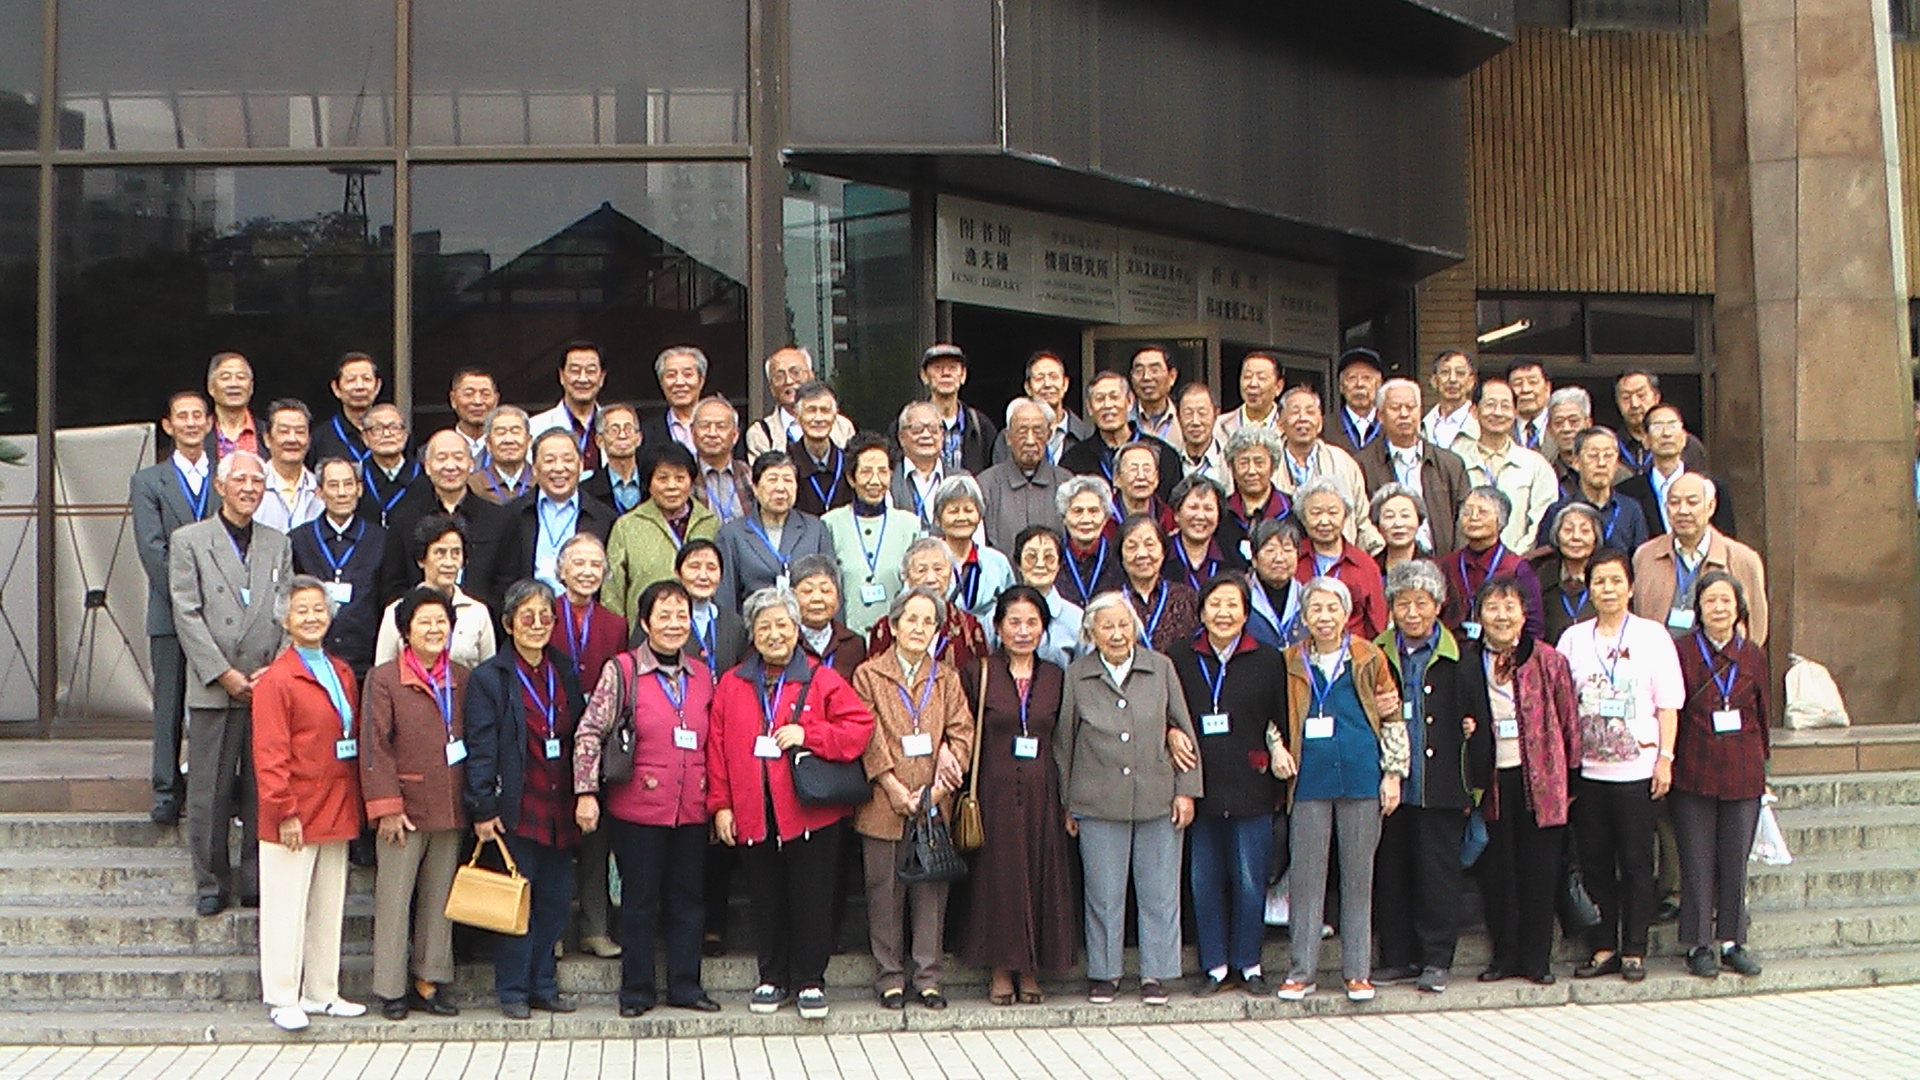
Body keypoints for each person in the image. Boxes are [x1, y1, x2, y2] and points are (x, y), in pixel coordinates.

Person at [708, 588, 876, 1020]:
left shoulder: (821, 678)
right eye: (764, 626)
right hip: (753, 809)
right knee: (765, 898)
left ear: (797, 629)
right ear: (752, 634)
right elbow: (717, 747)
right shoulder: (732, 683)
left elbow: (859, 727)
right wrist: (721, 805)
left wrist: (810, 735)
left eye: (782, 624)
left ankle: (810, 981)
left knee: (812, 898)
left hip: (809, 811)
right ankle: (771, 977)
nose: (774, 634)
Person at [573, 579, 723, 1015]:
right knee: (639, 902)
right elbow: (589, 732)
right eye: (664, 615)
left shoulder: (702, 674)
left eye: (682, 616)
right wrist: (586, 791)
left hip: (690, 807)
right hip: (638, 808)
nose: (674, 624)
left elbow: (715, 740)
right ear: (644, 622)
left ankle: (685, 986)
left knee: (688, 900)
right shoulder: (622, 670)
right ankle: (637, 991)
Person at [1057, 591, 1201, 1007]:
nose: (1118, 634)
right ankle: (1105, 973)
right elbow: (1065, 743)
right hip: (1097, 800)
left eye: (1124, 625)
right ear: (1091, 632)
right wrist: (1068, 802)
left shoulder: (1160, 667)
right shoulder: (1077, 675)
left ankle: (1157, 972)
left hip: (1157, 795)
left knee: (1160, 891)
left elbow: (1182, 727)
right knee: (1103, 894)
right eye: (1107, 627)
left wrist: (1187, 790)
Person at [169, 450, 291, 916]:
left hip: (265, 684)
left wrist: (275, 669)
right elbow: (186, 612)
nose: (249, 489)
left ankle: (256, 878)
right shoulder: (189, 540)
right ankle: (211, 881)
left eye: (257, 481)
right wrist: (223, 672)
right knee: (209, 792)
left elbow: (288, 610)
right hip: (215, 685)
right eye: (240, 480)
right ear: (220, 487)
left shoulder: (278, 542)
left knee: (263, 788)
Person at [1276, 576, 1407, 1004]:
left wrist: (1393, 774)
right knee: (1306, 879)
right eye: (1315, 609)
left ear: (1347, 613)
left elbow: (1392, 717)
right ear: (1304, 616)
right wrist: (1276, 748)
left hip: (1361, 775)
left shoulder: (1369, 657)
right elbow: (1272, 715)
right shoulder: (1289, 661)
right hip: (1309, 780)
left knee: (1358, 878)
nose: (1324, 617)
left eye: (1332, 608)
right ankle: (1301, 971)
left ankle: (1357, 972)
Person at [1558, 549, 1683, 984]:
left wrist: (1665, 758)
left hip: (1637, 770)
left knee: (1635, 863)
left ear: (1630, 587)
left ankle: (1634, 948)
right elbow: (1562, 702)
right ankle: (1603, 945)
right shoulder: (1574, 639)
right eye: (1599, 582)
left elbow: (1668, 704)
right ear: (1589, 588)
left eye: (1615, 581)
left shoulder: (1652, 636)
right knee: (1594, 862)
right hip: (1590, 771)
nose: (1607, 589)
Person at [465, 579, 587, 1019]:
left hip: (559, 805)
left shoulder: (563, 669)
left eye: (545, 616)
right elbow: (481, 746)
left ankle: (544, 985)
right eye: (527, 616)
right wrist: (482, 806)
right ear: (508, 623)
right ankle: (513, 990)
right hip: (515, 807)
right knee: (517, 901)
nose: (537, 624)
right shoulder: (490, 678)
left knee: (554, 903)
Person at [250, 576, 366, 1031]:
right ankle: (282, 996)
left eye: (319, 609)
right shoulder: (277, 679)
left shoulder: (341, 671)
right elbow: (270, 754)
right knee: (286, 907)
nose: (312, 617)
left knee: (327, 905)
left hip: (335, 801)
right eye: (301, 610)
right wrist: (283, 811)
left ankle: (322, 991)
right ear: (284, 619)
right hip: (294, 809)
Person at [849, 587, 973, 1010]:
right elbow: (868, 735)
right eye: (912, 619)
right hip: (884, 801)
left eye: (928, 621)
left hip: (934, 803)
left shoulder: (947, 678)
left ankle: (929, 978)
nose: (919, 628)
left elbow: (962, 733)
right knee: (884, 891)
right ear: (894, 624)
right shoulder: (869, 674)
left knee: (931, 893)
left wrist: (936, 791)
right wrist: (892, 786)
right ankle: (889, 977)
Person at [1170, 574, 1288, 997]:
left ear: (1246, 612)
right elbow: (1167, 711)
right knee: (1204, 881)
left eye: (1232, 605)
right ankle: (1215, 966)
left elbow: (1280, 718)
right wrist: (1170, 733)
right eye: (1215, 605)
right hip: (1200, 786)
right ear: (1201, 612)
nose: (1223, 613)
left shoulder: (1268, 659)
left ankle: (1249, 963)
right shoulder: (1180, 657)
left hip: (1251, 784)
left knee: (1250, 880)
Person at [1370, 560, 1485, 994]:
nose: (1412, 612)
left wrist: (1474, 783)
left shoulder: (1461, 656)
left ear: (1438, 605)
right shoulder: (1375, 653)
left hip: (1442, 783)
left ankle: (1436, 959)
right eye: (1403, 603)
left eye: (1421, 602)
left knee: (1438, 874)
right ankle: (1397, 957)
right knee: (1392, 872)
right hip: (1389, 782)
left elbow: (1478, 719)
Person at [960, 586, 1079, 1004]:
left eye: (1032, 623)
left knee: (1039, 876)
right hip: (992, 791)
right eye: (1014, 622)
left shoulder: (1056, 677)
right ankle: (999, 968)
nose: (1023, 631)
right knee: (999, 879)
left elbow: (1065, 738)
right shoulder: (978, 672)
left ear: (1044, 628)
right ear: (998, 627)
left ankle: (1030, 969)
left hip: (1043, 791)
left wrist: (1068, 800)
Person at [360, 586, 469, 1021]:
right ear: (406, 630)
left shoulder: (462, 677)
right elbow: (375, 745)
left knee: (439, 899)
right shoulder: (385, 678)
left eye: (441, 621)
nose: (434, 629)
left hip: (451, 802)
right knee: (394, 899)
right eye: (424, 621)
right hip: (403, 807)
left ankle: (430, 979)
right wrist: (386, 805)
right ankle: (390, 987)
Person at [1466, 574, 1581, 986]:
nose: (1501, 616)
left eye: (1510, 607)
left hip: (1543, 780)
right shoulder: (1467, 660)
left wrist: (1572, 779)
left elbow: (1569, 720)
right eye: (1492, 607)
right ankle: (1504, 956)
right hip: (1491, 781)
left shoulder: (1548, 660)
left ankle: (1537, 960)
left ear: (1524, 612)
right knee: (1498, 873)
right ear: (1479, 615)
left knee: (1540, 871)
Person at [1672, 570, 1769, 980]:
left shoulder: (1753, 656)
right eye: (1710, 601)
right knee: (1696, 861)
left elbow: (1763, 715)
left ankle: (1732, 941)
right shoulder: (1681, 651)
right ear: (1698, 607)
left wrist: (1764, 768)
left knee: (1734, 861)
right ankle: (1698, 944)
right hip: (1693, 769)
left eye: (1726, 601)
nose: (1719, 608)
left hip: (1743, 772)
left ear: (1739, 608)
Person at [132, 389, 220, 825]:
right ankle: (166, 790)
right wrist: (189, 599)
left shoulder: (227, 476)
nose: (190, 423)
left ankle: (215, 788)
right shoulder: (149, 481)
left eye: (197, 415)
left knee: (217, 705)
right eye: (181, 416)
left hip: (220, 613)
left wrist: (215, 599)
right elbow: (152, 550)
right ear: (168, 425)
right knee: (169, 704)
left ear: (209, 423)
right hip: (170, 611)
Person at [548, 532, 631, 960]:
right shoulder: (544, 613)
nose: (586, 572)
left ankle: (595, 927)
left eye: (595, 565)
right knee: (554, 837)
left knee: (597, 837)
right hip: (549, 732)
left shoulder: (615, 624)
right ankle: (553, 929)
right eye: (578, 563)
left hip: (599, 739)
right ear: (560, 570)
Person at [381, 429, 509, 610]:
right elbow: (393, 585)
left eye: (458, 457)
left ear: (471, 464)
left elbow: (505, 585)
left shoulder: (498, 519)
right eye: (441, 458)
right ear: (427, 466)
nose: (450, 466)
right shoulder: (404, 519)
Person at [1632, 474, 1769, 643]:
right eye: (1674, 503)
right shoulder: (1645, 556)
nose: (1683, 511)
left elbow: (1756, 628)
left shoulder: (1742, 559)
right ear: (1666, 508)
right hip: (1660, 656)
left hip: (1720, 659)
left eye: (1692, 502)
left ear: (1710, 507)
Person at [603, 442, 720, 626]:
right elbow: (612, 592)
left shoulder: (710, 524)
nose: (671, 486)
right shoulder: (627, 527)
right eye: (663, 478)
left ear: (691, 482)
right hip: (645, 634)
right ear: (649, 483)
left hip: (704, 632)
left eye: (680, 478)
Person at [291, 458, 387, 680]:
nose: (341, 493)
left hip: (365, 661)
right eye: (333, 485)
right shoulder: (299, 540)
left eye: (348, 484)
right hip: (311, 660)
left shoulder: (380, 539)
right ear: (319, 492)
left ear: (359, 489)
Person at [1359, 379, 1471, 555]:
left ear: (1420, 411)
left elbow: (1463, 519)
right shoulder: (1362, 465)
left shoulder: (1450, 464)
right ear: (1380, 416)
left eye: (1410, 407)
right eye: (1395, 408)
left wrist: (1455, 563)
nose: (1404, 414)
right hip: (1386, 562)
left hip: (1441, 562)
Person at [501, 426, 618, 594]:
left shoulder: (604, 518)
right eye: (549, 460)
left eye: (567, 460)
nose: (559, 468)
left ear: (581, 465)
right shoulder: (511, 514)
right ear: (534, 468)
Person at [825, 434, 921, 636]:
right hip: (846, 638)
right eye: (866, 472)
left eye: (883, 472)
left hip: (895, 638)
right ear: (851, 478)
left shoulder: (910, 525)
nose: (875, 481)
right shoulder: (830, 524)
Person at [374, 516, 498, 671]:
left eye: (456, 553)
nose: (449, 562)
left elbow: (489, 674)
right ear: (421, 559)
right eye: (440, 553)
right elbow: (382, 672)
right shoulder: (395, 610)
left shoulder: (478, 612)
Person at [715, 451, 834, 609]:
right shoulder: (732, 534)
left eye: (788, 480)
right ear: (755, 487)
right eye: (772, 479)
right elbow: (726, 598)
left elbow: (831, 588)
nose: (781, 488)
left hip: (805, 620)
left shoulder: (815, 529)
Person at [1452, 377, 1558, 552]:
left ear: (1515, 412)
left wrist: (1514, 559)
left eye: (1505, 406)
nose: (1498, 412)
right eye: (1490, 405)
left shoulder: (1535, 465)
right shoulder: (1455, 461)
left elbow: (1542, 520)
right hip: (1464, 563)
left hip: (1519, 563)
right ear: (1474, 411)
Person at [1273, 386, 1376, 549]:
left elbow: (1362, 520)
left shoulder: (1343, 462)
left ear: (1320, 423)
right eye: (1295, 412)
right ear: (1280, 423)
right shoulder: (1269, 462)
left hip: (1336, 555)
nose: (1303, 418)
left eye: (1310, 412)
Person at [1059, 370, 1184, 501]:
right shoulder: (1074, 460)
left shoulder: (1163, 455)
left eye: (1114, 397)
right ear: (1090, 407)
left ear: (1129, 401)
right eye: (1100, 399)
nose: (1107, 405)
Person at [1441, 487, 1546, 642]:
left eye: (1482, 512)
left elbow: (1533, 626)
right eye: (1467, 512)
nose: (1473, 517)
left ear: (1500, 521)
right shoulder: (1448, 564)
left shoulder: (1517, 567)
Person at [871, 538, 992, 672]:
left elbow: (982, 674)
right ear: (906, 576)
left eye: (938, 569)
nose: (931, 579)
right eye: (921, 570)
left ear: (951, 573)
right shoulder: (887, 627)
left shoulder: (969, 627)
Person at [1617, 403, 1736, 538]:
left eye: (1672, 426)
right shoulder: (1627, 493)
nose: (1666, 434)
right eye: (1657, 427)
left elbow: (1726, 542)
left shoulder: (1713, 487)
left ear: (1684, 438)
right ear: (1646, 440)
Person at [1294, 478, 1389, 640]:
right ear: (1303, 518)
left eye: (1333, 513)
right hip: (1301, 650)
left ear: (1345, 516)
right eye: (1316, 513)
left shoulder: (1365, 566)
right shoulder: (1292, 560)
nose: (1325, 521)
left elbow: (1378, 628)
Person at [1534, 427, 1652, 554]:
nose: (1601, 463)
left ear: (1617, 462)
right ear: (1576, 462)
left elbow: (1640, 557)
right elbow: (1545, 558)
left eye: (1608, 456)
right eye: (1593, 456)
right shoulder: (1559, 510)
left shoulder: (1631, 509)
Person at [977, 398, 1073, 550]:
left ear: (1048, 436)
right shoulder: (986, 485)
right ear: (1008, 437)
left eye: (1037, 432)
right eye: (1022, 432)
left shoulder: (1065, 483)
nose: (1030, 441)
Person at [932, 474, 1015, 619]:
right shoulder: (924, 560)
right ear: (938, 519)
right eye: (953, 511)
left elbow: (1012, 608)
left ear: (979, 515)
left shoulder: (998, 562)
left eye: (968, 510)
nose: (961, 517)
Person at [747, 346, 854, 457]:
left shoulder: (842, 427)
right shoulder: (760, 433)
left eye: (795, 373)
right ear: (772, 388)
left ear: (811, 376)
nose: (788, 381)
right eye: (779, 376)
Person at [527, 341, 609, 478]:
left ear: (601, 378)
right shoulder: (534, 428)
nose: (583, 379)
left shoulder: (616, 428)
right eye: (575, 371)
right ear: (561, 376)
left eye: (590, 371)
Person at [1118, 515, 1199, 652]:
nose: (1142, 554)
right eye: (1132, 547)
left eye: (1150, 545)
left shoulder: (1187, 598)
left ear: (1163, 551)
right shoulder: (1111, 600)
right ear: (1120, 555)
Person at [995, 350, 1092, 464]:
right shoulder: (1009, 436)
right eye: (1039, 378)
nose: (1047, 384)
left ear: (1065, 384)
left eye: (1053, 377)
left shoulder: (1085, 435)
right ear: (1028, 388)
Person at [916, 344, 998, 474]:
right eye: (938, 368)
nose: (946, 373)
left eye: (952, 368)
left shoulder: (981, 426)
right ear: (924, 375)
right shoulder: (909, 425)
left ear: (963, 375)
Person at [1012, 526, 1087, 669]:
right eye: (1031, 557)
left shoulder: (1077, 619)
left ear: (1059, 565)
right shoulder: (998, 614)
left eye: (1049, 558)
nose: (1040, 565)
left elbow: (1084, 672)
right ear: (1018, 563)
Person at [1535, 502, 1605, 644]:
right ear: (1556, 535)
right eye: (1568, 530)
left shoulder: (1605, 576)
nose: (1576, 537)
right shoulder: (1543, 575)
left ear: (1596, 537)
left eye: (1585, 531)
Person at [791, 553, 869, 679]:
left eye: (825, 590)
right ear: (792, 597)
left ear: (838, 597)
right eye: (807, 591)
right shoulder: (786, 641)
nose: (817, 599)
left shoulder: (854, 644)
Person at [1614, 370, 1707, 476]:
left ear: (1656, 398)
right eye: (1626, 398)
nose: (1634, 404)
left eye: (1641, 395)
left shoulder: (1687, 443)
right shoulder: (1611, 445)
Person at [1163, 474, 1245, 592]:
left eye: (1208, 508)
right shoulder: (1161, 554)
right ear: (1176, 514)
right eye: (1193, 507)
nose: (1200, 516)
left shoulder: (1234, 560)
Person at [679, 539, 748, 679]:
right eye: (694, 567)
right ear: (677, 573)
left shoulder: (735, 625)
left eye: (711, 568)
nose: (703, 576)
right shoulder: (662, 619)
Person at [787, 380, 855, 517]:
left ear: (835, 416)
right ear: (797, 416)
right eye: (811, 410)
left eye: (825, 410)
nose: (818, 418)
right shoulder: (786, 464)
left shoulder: (848, 463)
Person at [1055, 475, 1123, 608]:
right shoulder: (1054, 558)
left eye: (1093, 511)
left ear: (1105, 517)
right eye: (1077, 511)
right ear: (1064, 518)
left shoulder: (1119, 558)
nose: (1086, 519)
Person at [255, 399, 322, 533]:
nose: (292, 439)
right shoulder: (253, 486)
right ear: (267, 439)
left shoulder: (321, 488)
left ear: (309, 440)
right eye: (284, 431)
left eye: (300, 432)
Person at [891, 400, 959, 528]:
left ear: (942, 435)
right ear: (901, 437)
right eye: (917, 429)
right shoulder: (888, 479)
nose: (926, 435)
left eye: (933, 429)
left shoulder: (960, 479)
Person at [307, 352, 382, 467]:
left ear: (377, 386)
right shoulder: (319, 439)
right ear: (336, 388)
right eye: (351, 380)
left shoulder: (394, 435)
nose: (359, 386)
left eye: (366, 379)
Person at [354, 404, 421, 529]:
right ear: (365, 437)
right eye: (377, 428)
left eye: (394, 427)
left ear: (405, 435)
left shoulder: (423, 475)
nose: (387, 434)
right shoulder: (355, 477)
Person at [692, 396, 756, 526]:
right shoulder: (685, 476)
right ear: (692, 432)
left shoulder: (749, 474)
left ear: (735, 435)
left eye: (721, 426)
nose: (712, 433)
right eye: (704, 426)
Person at [1245, 517, 1307, 649]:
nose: (1279, 558)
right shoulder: (1241, 596)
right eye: (1270, 550)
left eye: (1287, 550)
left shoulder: (1307, 597)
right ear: (1254, 559)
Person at [1222, 424, 1291, 542]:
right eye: (1243, 463)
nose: (1251, 471)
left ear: (1273, 466)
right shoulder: (1221, 512)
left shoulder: (1291, 509)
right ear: (1232, 467)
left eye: (1259, 463)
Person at [640, 345, 708, 454]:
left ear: (701, 381)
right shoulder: (646, 432)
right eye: (671, 375)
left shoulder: (725, 428)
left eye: (687, 374)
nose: (679, 382)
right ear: (661, 383)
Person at [579, 403, 645, 515]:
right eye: (614, 430)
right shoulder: (586, 491)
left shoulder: (653, 484)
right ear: (599, 441)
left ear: (639, 438)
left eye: (628, 429)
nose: (622, 436)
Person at [1323, 347, 1383, 457]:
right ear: (1341, 386)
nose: (1359, 384)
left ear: (1378, 384)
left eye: (1366, 378)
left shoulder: (1389, 427)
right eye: (1352, 378)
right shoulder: (1324, 427)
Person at [467, 405, 533, 506]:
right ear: (488, 443)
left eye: (515, 432)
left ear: (528, 441)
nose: (508, 440)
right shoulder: (472, 486)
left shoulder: (542, 482)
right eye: (500, 432)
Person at [1214, 351, 1283, 444]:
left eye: (1261, 377)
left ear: (1278, 386)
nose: (1252, 384)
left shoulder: (1289, 427)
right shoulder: (1219, 426)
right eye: (1247, 376)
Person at [1420, 349, 1479, 449]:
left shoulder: (1481, 423)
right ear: (1434, 381)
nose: (1452, 379)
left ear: (1471, 381)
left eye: (1460, 373)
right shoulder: (1422, 426)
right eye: (1445, 372)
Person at [207, 351, 261, 459]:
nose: (234, 384)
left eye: (241, 377)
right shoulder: (199, 434)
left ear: (251, 387)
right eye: (225, 378)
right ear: (211, 387)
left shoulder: (267, 434)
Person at [1173, 382, 1228, 485]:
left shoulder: (1228, 460)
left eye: (1202, 413)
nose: (1195, 422)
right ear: (1178, 416)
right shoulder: (1171, 460)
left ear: (1216, 414)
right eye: (1188, 414)